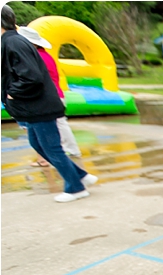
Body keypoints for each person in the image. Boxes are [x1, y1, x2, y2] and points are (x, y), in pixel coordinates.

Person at [1, 5, 98, 202]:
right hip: (35, 107)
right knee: (37, 143)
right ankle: (80, 175)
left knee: (51, 147)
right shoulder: (11, 41)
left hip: (38, 106)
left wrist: (12, 93)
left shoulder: (14, 42)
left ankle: (75, 188)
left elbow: (31, 76)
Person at [18, 26, 82, 168]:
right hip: (54, 96)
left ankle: (68, 152)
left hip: (50, 98)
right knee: (57, 125)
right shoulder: (43, 56)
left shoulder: (38, 58)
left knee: (56, 126)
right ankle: (66, 152)